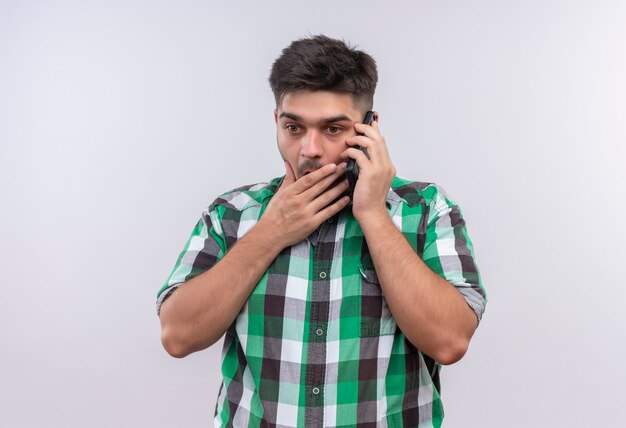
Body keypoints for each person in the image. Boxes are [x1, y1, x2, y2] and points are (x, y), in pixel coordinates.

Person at [157, 35, 487, 427]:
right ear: (276, 121)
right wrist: (271, 233)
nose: (309, 149)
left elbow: (449, 342)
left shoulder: (426, 210)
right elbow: (177, 336)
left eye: (332, 129)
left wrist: (373, 215)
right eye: (294, 127)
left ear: (370, 128)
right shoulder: (231, 215)